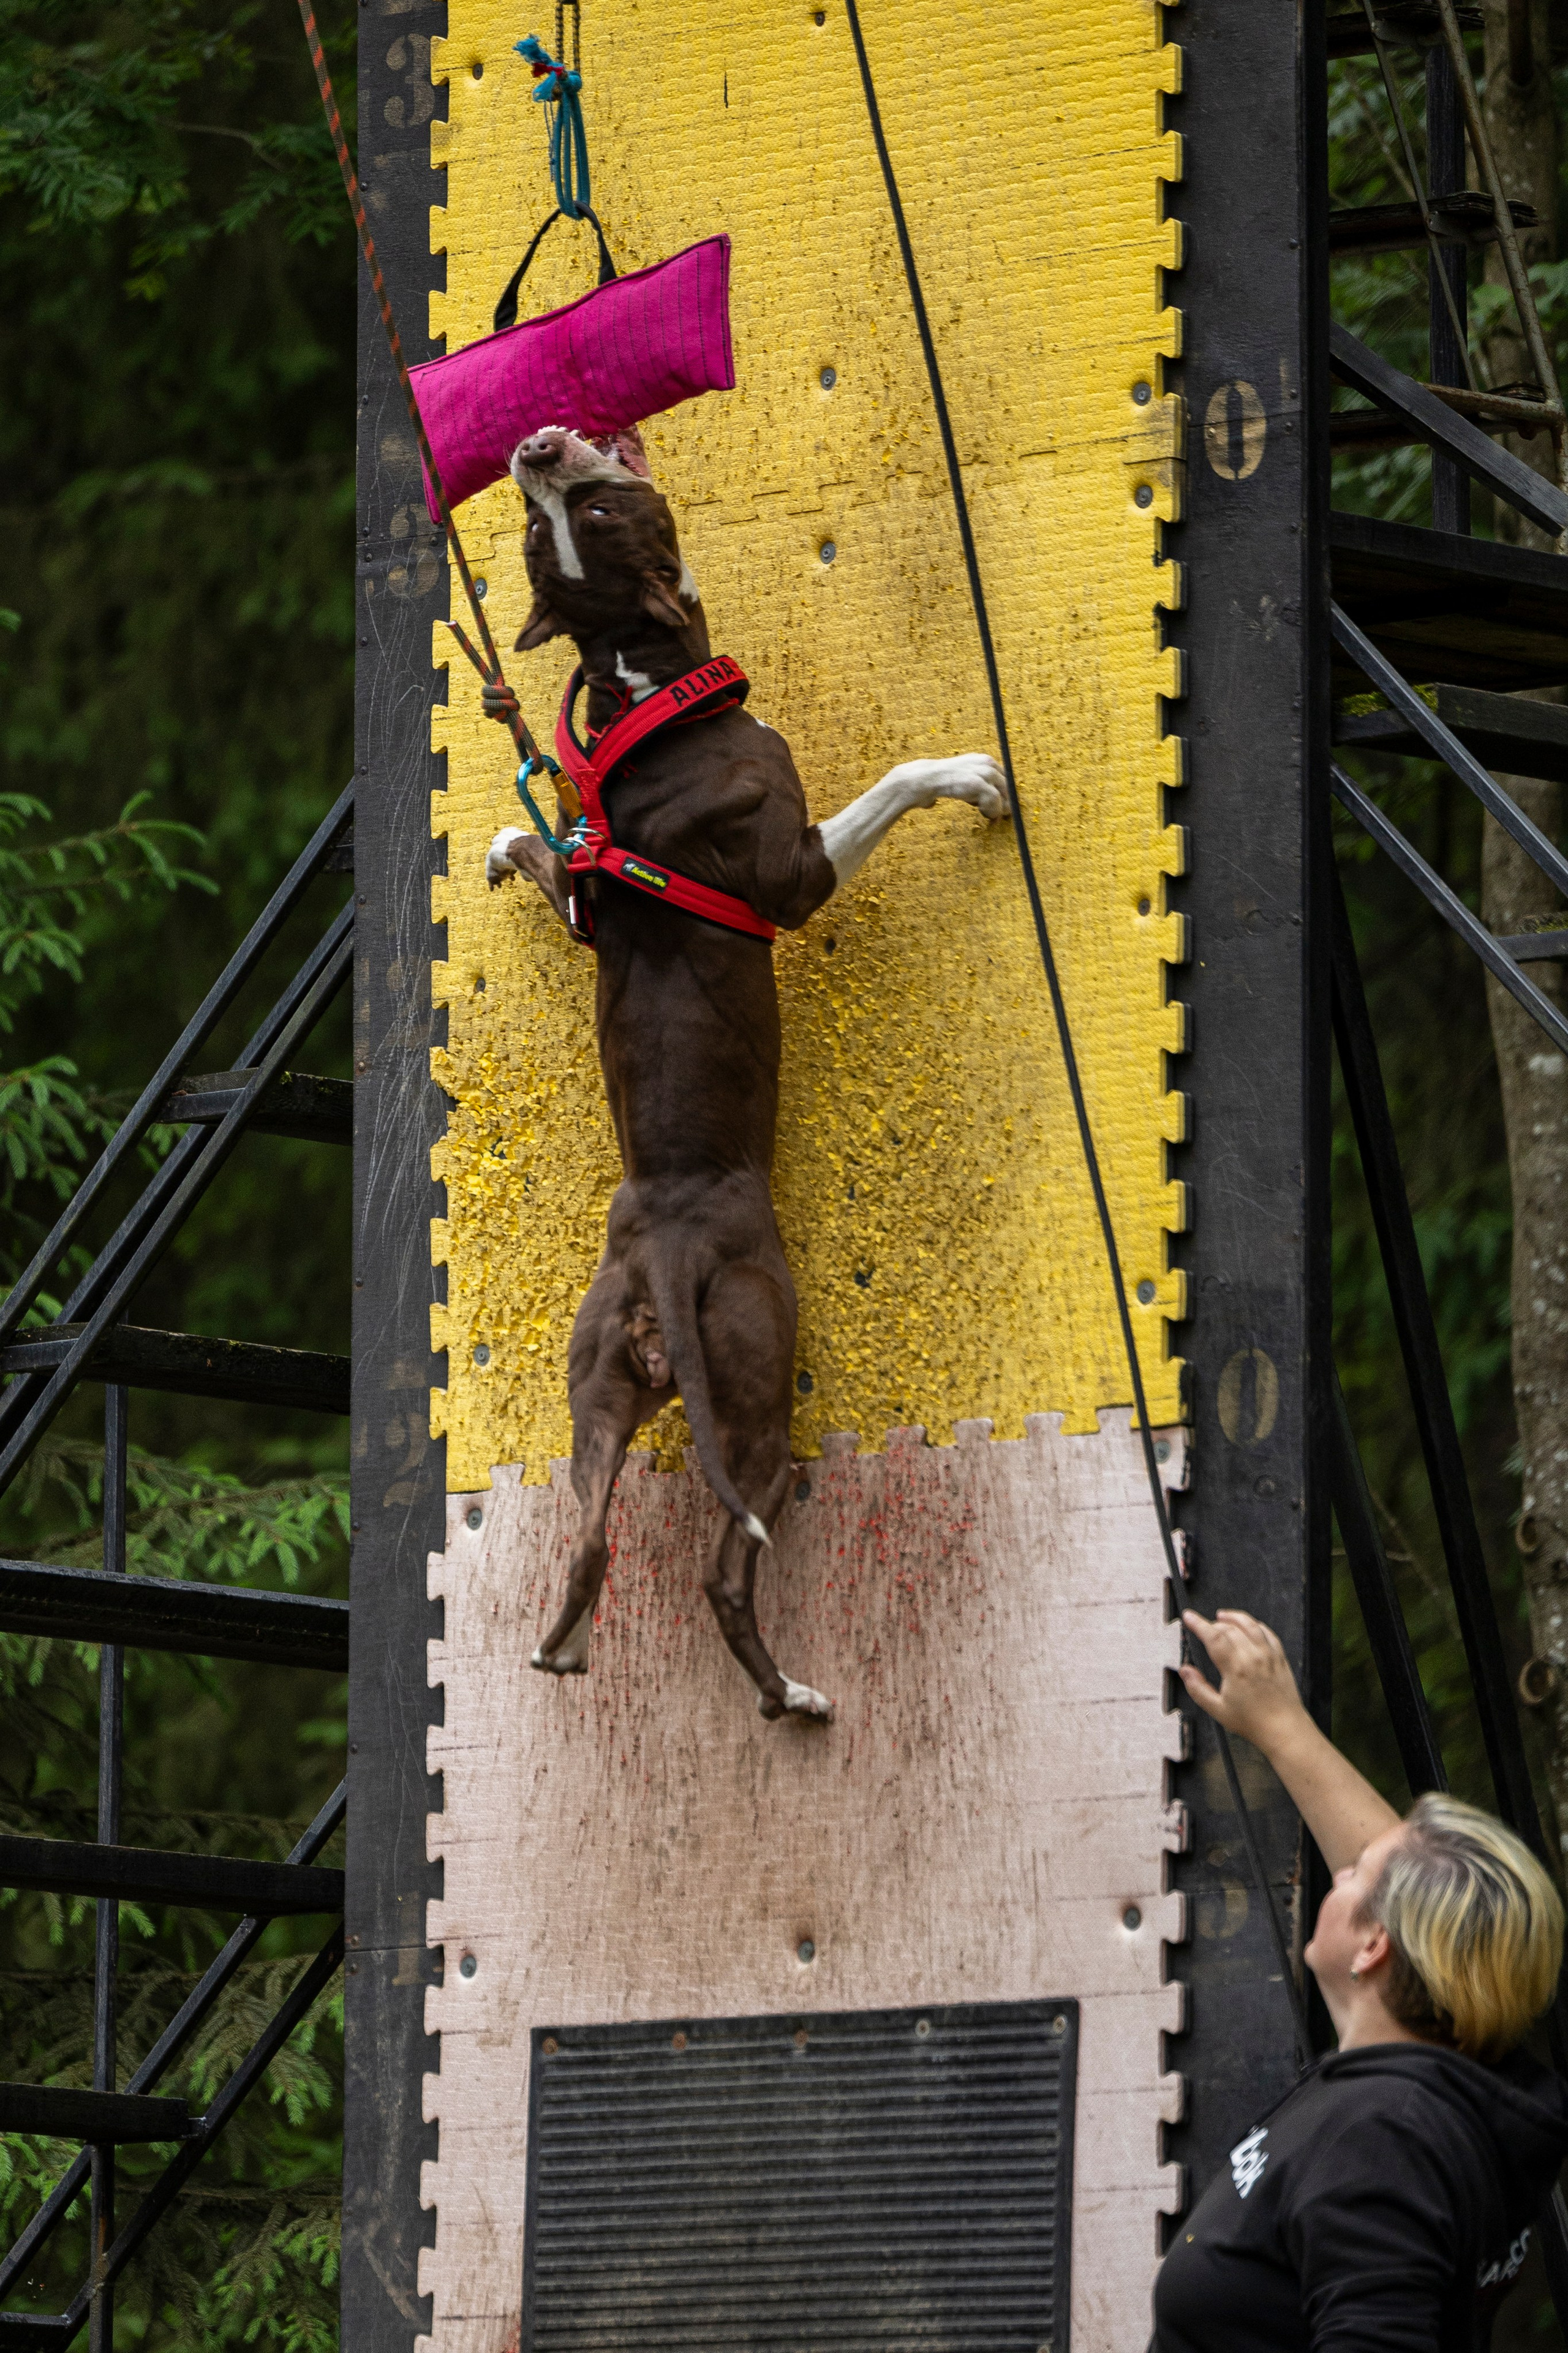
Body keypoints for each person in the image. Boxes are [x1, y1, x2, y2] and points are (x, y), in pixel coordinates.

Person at [1150, 1606, 1568, 2353]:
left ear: (1375, 1945)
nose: (1340, 1871)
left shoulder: (1385, 2142)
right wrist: (1281, 1727)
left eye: (1354, 1874)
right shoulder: (1453, 2093)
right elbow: (1415, 1897)